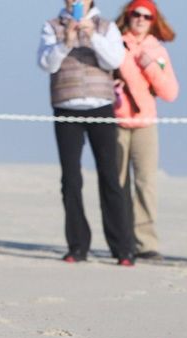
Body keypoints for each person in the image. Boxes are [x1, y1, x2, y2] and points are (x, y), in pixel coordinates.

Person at [38, 0, 135, 266]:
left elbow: (115, 60)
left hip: (100, 107)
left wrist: (92, 35)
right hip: (65, 107)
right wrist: (66, 41)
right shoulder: (52, 26)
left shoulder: (106, 27)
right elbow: (46, 64)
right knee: (70, 179)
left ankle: (123, 248)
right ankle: (78, 245)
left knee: (110, 177)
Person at [114, 0, 179, 261]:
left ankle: (145, 242)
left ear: (154, 21)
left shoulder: (158, 51)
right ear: (127, 16)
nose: (140, 19)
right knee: (117, 183)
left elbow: (170, 92)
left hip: (145, 124)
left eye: (146, 16)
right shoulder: (115, 44)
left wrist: (150, 65)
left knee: (146, 184)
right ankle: (120, 239)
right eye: (135, 14)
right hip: (116, 122)